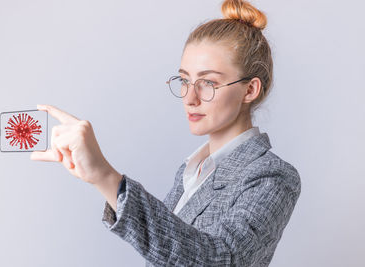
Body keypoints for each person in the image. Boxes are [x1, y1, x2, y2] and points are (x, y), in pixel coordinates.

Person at [30, 0, 301, 266]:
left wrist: (105, 176)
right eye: (184, 80)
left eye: (208, 82)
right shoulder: (192, 171)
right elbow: (168, 251)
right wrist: (97, 177)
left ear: (250, 90)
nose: (190, 97)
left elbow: (220, 260)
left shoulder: (271, 175)